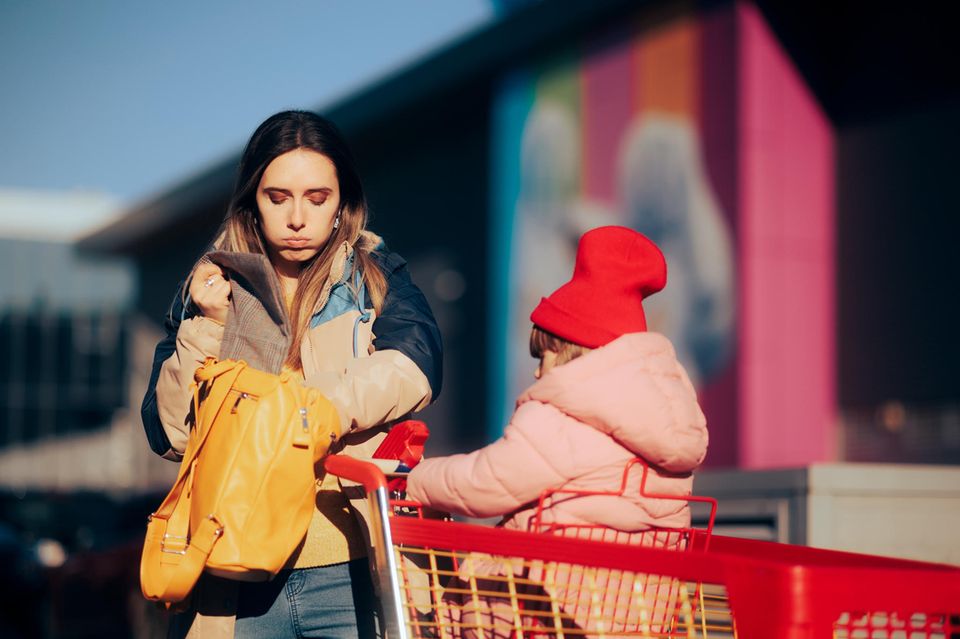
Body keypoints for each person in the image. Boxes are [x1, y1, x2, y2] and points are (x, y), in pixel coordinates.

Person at [141, 110, 443, 639]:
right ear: (252, 201)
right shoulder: (211, 286)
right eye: (277, 197)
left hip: (350, 569)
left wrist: (303, 410)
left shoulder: (373, 276)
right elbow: (170, 434)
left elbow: (417, 364)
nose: (297, 218)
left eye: (317, 198)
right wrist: (207, 327)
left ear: (342, 203)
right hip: (230, 580)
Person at [405, 225, 707, 637]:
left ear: (572, 354)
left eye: (544, 354)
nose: (536, 369)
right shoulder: (663, 422)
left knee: (467, 590)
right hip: (634, 613)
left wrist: (415, 478)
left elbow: (487, 481)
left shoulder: (568, 413)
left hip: (555, 610)